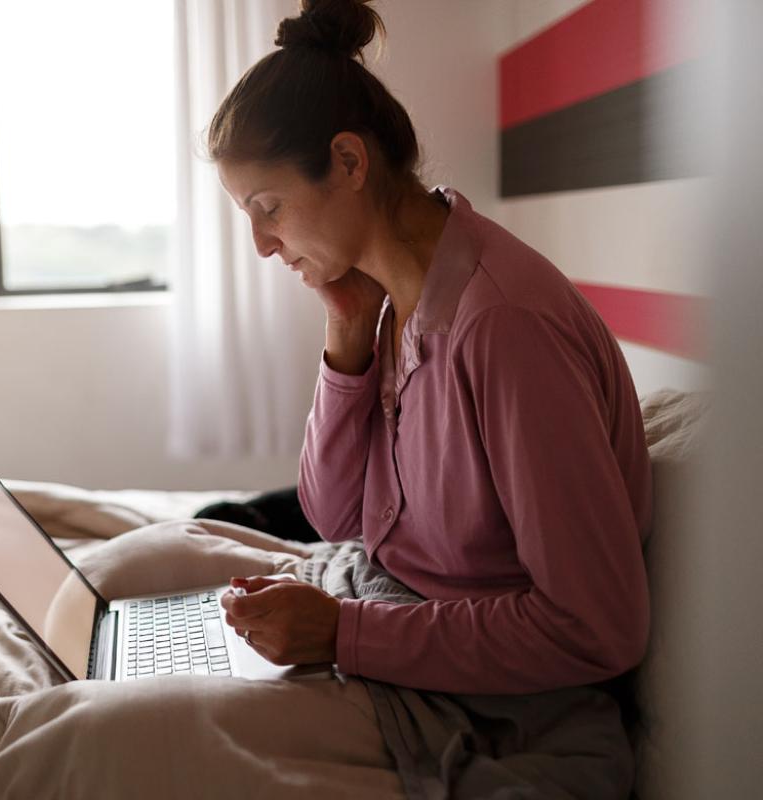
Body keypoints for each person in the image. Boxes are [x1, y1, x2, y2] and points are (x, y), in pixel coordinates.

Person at [217, 0, 652, 694]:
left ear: (349, 160)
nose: (263, 245)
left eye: (268, 208)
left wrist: (341, 632)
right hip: (388, 601)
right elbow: (336, 518)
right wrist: (348, 341)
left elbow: (596, 628)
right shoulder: (391, 297)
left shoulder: (503, 328)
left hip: (493, 686)